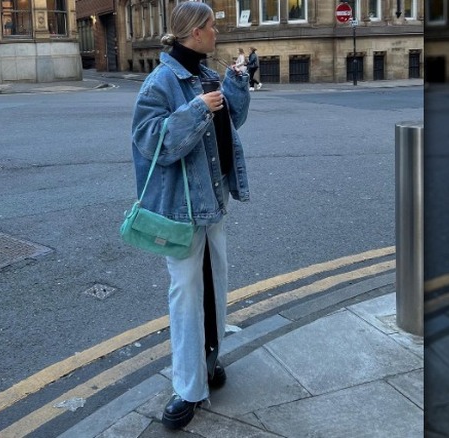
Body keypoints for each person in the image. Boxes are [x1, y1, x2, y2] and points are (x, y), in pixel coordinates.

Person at [130, 0, 251, 431]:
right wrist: (198, 108)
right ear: (195, 32)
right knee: (185, 296)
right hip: (181, 212)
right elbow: (154, 144)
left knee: (214, 287)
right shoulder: (160, 83)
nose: (218, 32)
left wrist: (237, 80)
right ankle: (186, 388)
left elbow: (232, 120)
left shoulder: (206, 73)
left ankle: (210, 361)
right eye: (213, 26)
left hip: (214, 202)